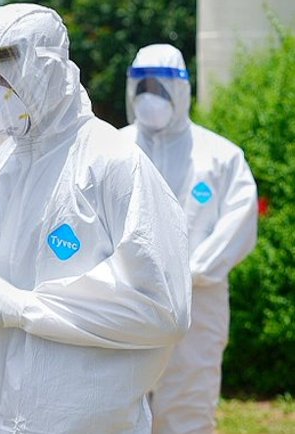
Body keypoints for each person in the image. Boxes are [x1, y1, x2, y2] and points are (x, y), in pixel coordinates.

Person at [0, 4, 192, 433]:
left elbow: (162, 308)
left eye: (2, 72)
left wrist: (18, 307)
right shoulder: (8, 166)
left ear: (49, 68)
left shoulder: (112, 162)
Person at [120, 44, 258, 434]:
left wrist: (191, 272)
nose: (151, 96)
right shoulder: (114, 150)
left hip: (199, 304)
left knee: (189, 406)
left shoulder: (219, 157)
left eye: (161, 87)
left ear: (182, 90)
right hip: (130, 300)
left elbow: (239, 222)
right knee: (121, 405)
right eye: (143, 85)